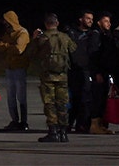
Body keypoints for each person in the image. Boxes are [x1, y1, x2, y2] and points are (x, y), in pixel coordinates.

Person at [25, 13, 76, 143]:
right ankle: (64, 132)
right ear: (57, 23)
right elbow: (74, 50)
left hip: (47, 76)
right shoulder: (65, 37)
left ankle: (53, 132)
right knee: (62, 104)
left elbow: (29, 54)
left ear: (46, 24)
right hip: (63, 76)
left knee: (50, 104)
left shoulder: (43, 38)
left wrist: (34, 38)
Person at [64, 9, 100, 134]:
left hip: (86, 71)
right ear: (81, 19)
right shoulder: (72, 33)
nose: (90, 21)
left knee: (85, 99)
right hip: (73, 71)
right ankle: (68, 124)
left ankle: (82, 124)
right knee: (72, 99)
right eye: (88, 18)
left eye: (92, 19)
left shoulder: (93, 35)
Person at [0, 10, 31, 130]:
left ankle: (24, 121)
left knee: (21, 96)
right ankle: (14, 120)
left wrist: (6, 46)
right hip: (9, 67)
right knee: (10, 96)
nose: (4, 23)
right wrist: (7, 46)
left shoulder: (22, 33)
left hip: (19, 68)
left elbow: (18, 49)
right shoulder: (9, 33)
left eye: (6, 20)